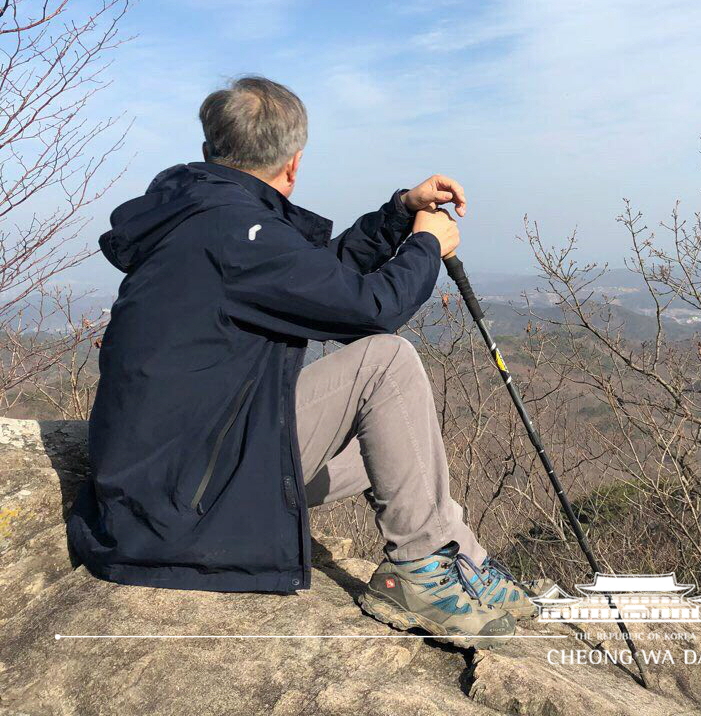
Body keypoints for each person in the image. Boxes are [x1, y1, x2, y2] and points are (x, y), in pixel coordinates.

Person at [67, 76, 532, 648]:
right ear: (293, 164)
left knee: (394, 448)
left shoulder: (209, 221)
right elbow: (372, 308)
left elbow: (316, 276)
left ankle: (457, 558)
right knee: (386, 361)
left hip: (170, 482)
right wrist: (425, 245)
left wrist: (400, 213)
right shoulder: (236, 233)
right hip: (187, 500)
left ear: (212, 149)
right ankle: (418, 571)